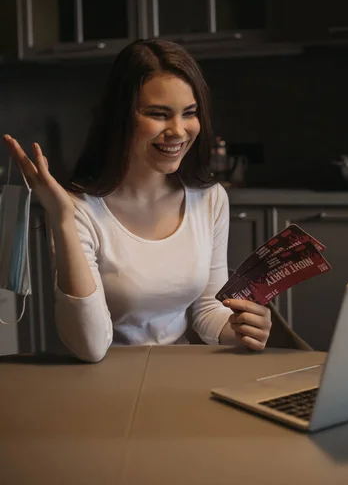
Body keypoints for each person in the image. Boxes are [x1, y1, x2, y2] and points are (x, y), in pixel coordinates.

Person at [3, 39, 271, 362]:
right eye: (158, 114)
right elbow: (90, 346)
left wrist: (240, 327)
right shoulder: (80, 210)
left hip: (179, 376)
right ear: (121, 118)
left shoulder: (211, 200)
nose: (178, 131)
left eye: (189, 113)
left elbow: (206, 308)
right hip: (102, 384)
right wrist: (62, 219)